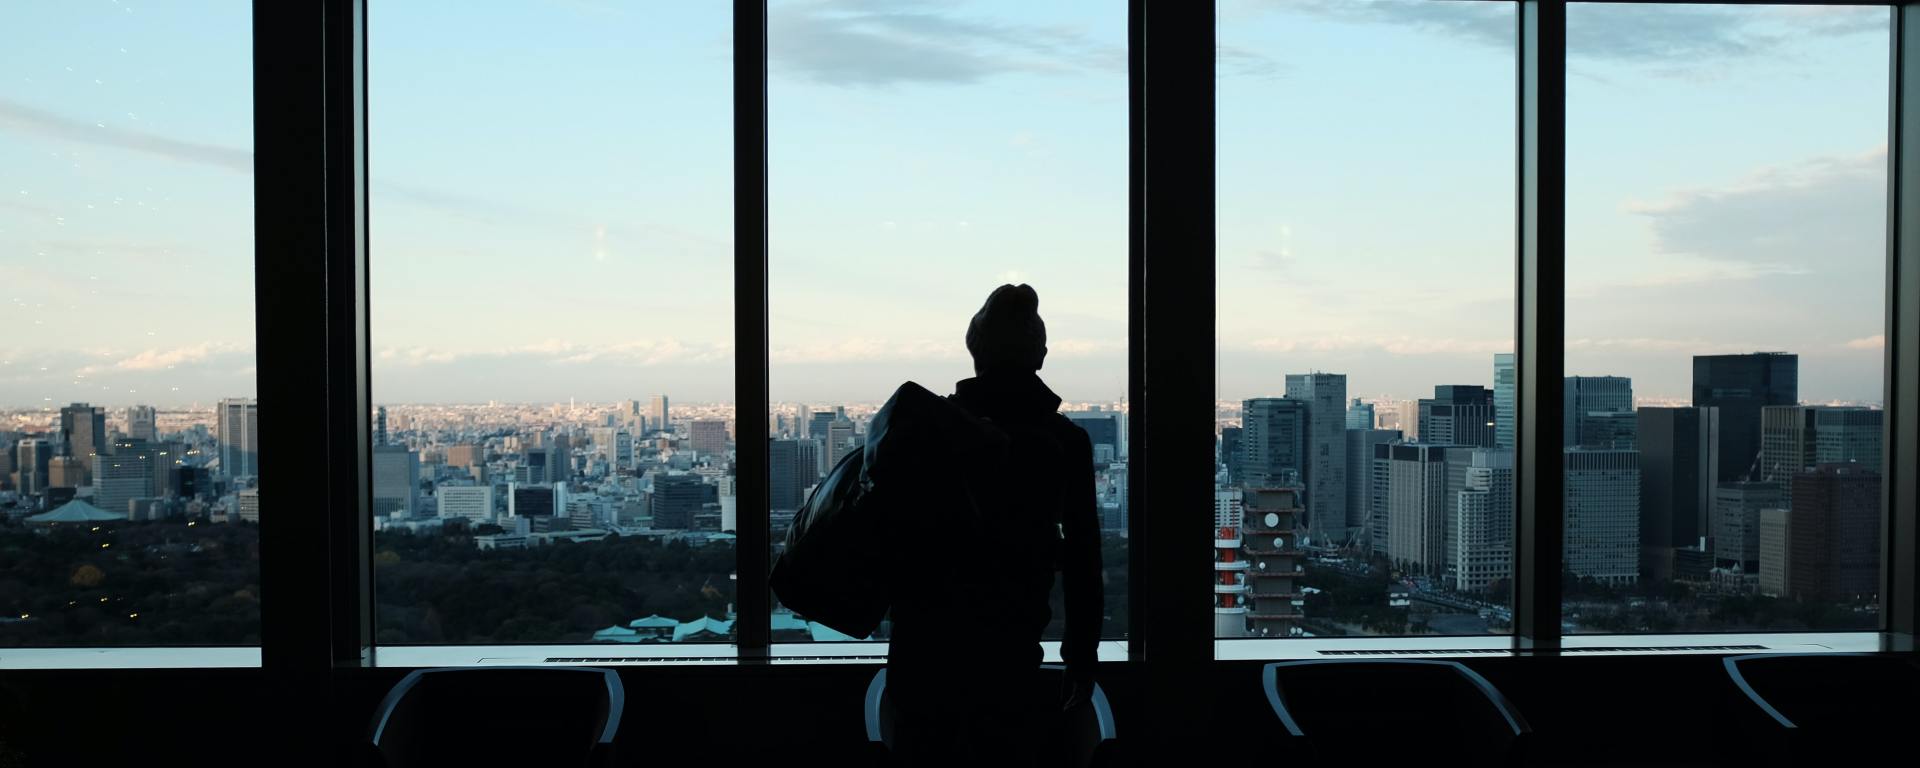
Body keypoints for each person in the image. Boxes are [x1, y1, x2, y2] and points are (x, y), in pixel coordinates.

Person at [883, 284, 1104, 767]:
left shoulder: (926, 428)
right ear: (1039, 356)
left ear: (974, 352)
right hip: (1008, 650)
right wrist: (1080, 655)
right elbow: (1084, 558)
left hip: (920, 650)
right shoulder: (1062, 441)